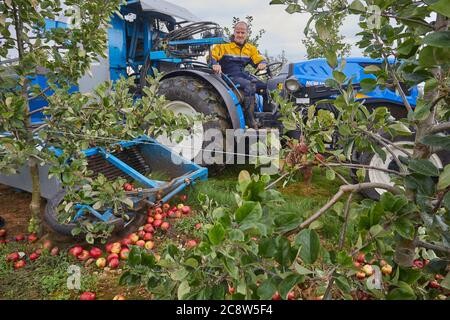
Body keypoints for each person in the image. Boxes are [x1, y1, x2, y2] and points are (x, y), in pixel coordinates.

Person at [211, 21, 267, 128]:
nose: (240, 35)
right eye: (238, 32)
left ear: (247, 34)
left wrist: (262, 63)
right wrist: (215, 64)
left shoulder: (250, 49)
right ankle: (250, 119)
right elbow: (212, 56)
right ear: (234, 32)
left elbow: (259, 59)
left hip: (242, 74)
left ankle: (265, 116)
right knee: (249, 86)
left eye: (243, 32)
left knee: (264, 86)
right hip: (228, 75)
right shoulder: (224, 46)